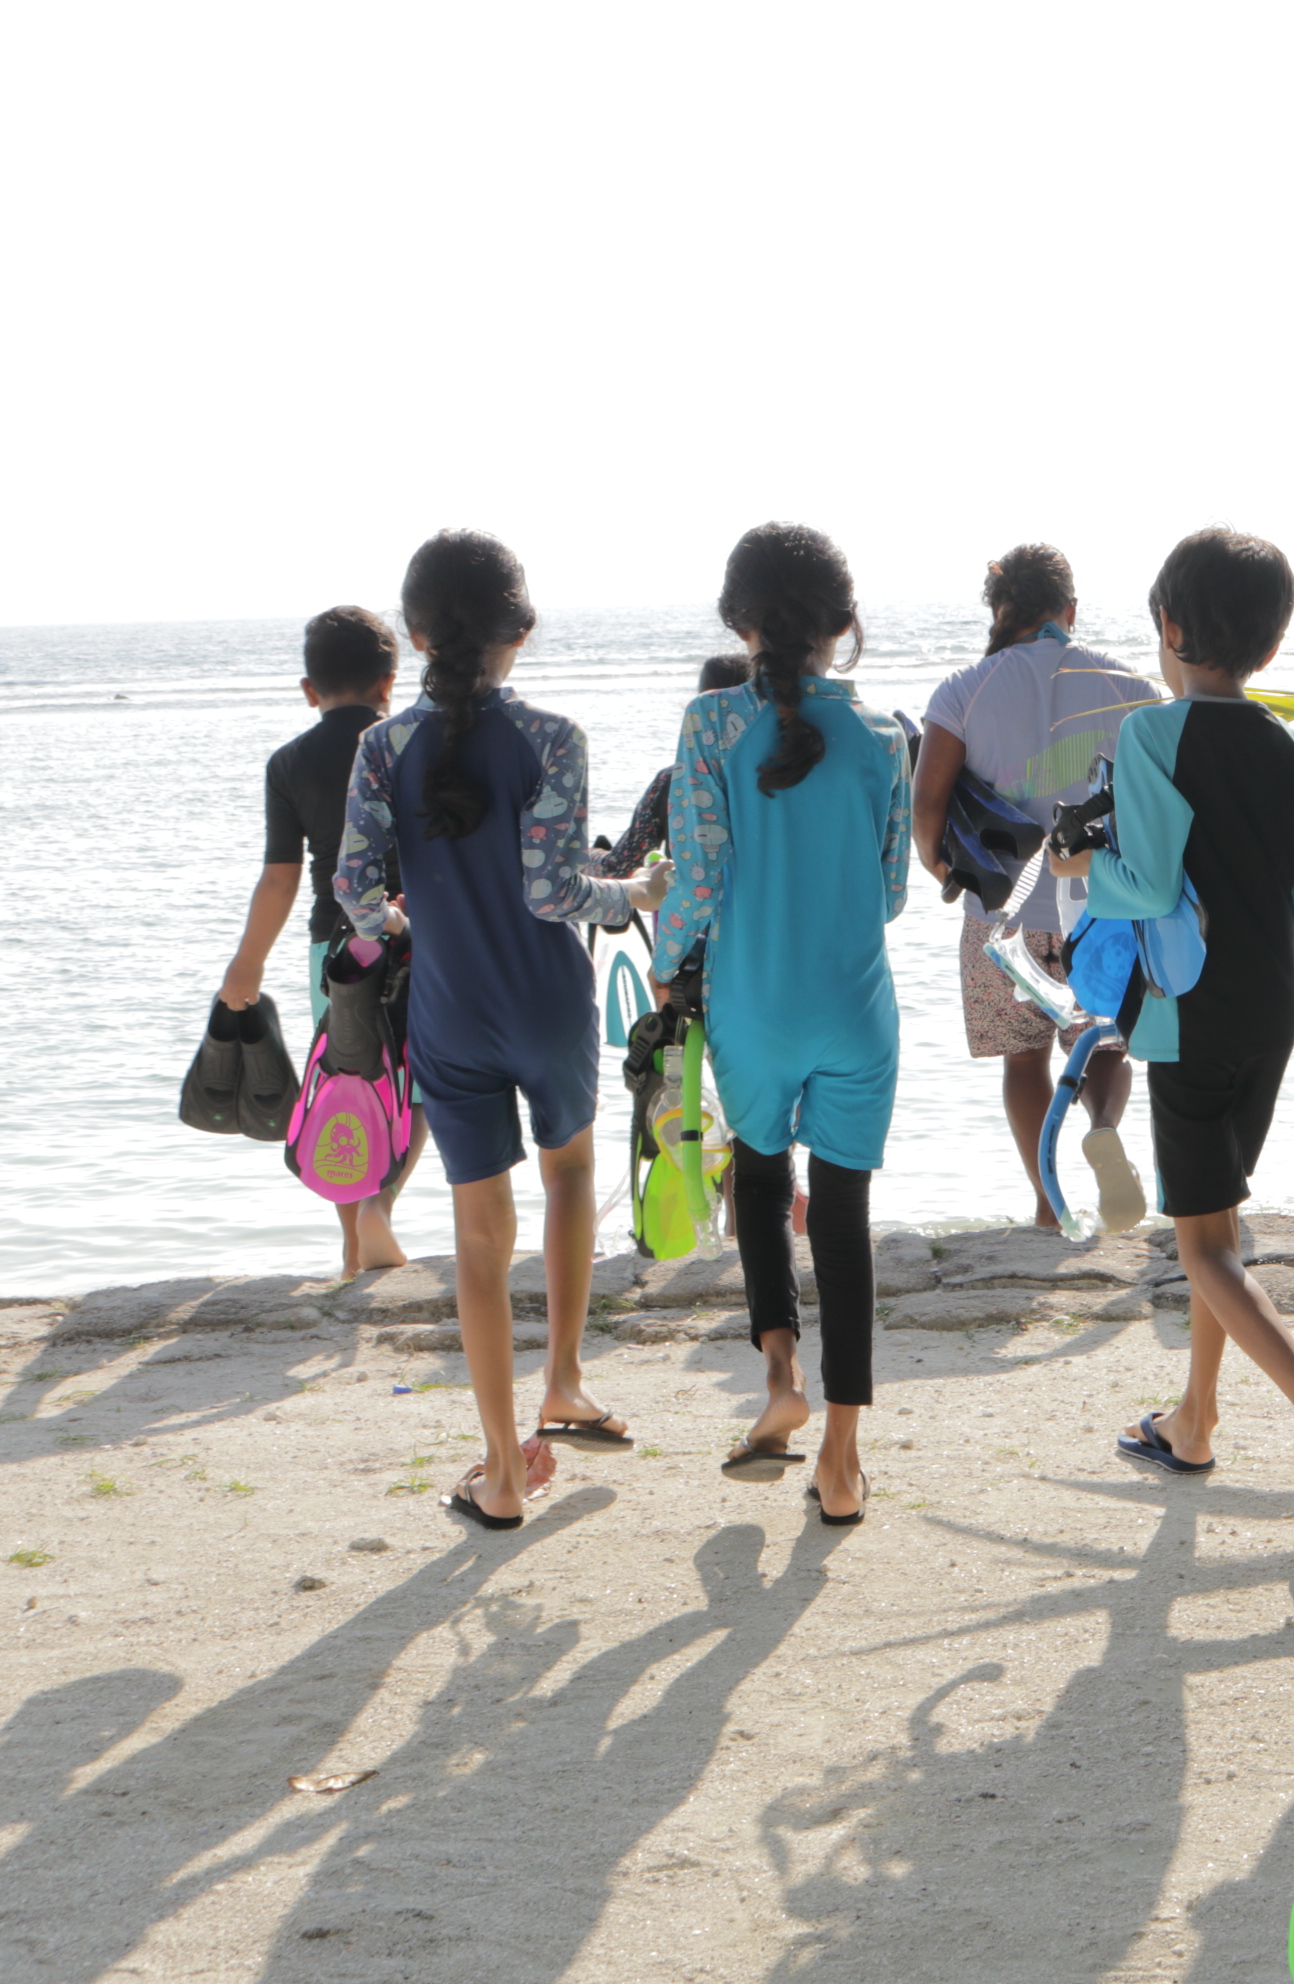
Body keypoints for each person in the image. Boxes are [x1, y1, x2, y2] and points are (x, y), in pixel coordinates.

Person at [1055, 528, 1294, 1559]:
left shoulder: (1153, 736)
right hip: (1275, 1003)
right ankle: (1194, 1417)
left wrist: (1080, 865)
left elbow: (1150, 883)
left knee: (1202, 1243)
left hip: (1193, 1008)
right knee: (1221, 1223)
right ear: (1274, 639)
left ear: (1169, 627)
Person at [338, 531, 668, 1529]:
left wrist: (405, 922)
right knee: (569, 1180)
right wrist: (637, 890)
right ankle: (564, 1381)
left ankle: (499, 1472)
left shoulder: (381, 747)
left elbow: (354, 892)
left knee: (479, 1242)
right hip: (547, 1004)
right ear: (520, 629)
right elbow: (555, 891)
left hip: (449, 1013)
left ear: (417, 632)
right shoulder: (554, 737)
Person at [649, 523, 912, 1527]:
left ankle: (780, 1378)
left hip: (754, 1006)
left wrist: (669, 959)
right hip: (858, 1008)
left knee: (760, 1183)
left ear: (742, 622)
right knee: (842, 1221)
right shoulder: (888, 735)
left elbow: (701, 881)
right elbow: (890, 894)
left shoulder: (712, 725)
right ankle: (841, 1464)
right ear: (844, 626)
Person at [914, 544, 1158, 1231]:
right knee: (1106, 1044)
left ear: (999, 612)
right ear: (1069, 611)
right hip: (1103, 908)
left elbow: (926, 808)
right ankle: (1102, 1126)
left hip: (1003, 914)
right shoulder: (1130, 687)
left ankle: (1050, 1206)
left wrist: (947, 877)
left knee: (1024, 1061)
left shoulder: (963, 690)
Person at [219, 604, 431, 1277]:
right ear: (390, 681)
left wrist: (244, 968)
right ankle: (381, 1210)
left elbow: (280, 879)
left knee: (347, 1082)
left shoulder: (288, 764)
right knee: (415, 1089)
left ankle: (351, 1245)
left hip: (335, 952)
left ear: (309, 689)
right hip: (420, 941)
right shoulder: (413, 744)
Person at [592, 652, 751, 888]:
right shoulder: (792, 771)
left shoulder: (675, 779)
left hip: (697, 916)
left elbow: (622, 866)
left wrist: (589, 855)